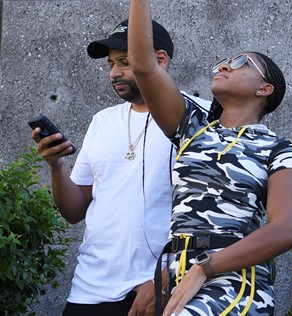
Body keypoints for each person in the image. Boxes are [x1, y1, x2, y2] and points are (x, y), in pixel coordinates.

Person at [128, 0, 292, 316]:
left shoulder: (279, 148)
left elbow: (287, 229)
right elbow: (143, 66)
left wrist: (205, 269)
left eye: (241, 63)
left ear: (265, 89)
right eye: (222, 61)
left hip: (233, 279)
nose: (224, 66)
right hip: (176, 273)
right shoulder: (193, 128)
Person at [30, 19, 194, 315]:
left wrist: (169, 277)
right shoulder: (102, 120)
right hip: (90, 290)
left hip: (162, 289)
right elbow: (75, 210)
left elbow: (221, 217)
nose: (114, 73)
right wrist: (56, 167)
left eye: (125, 62)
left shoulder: (198, 118)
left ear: (159, 60)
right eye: (110, 64)